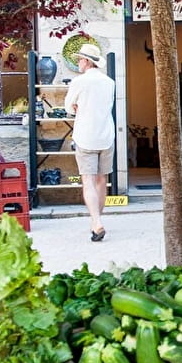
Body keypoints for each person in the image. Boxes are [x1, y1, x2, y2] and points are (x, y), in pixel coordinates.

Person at [64, 43, 116, 242]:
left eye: (79, 59)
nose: (78, 62)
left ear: (86, 61)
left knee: (88, 180)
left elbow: (68, 106)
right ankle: (98, 219)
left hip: (86, 135)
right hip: (105, 135)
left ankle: (96, 222)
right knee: (102, 180)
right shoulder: (109, 82)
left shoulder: (80, 82)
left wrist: (77, 106)